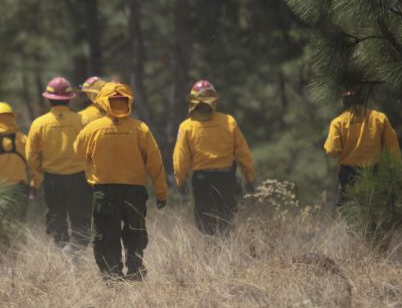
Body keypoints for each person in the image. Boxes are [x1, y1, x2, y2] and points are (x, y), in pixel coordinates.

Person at [74, 82, 167, 281]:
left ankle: (112, 277)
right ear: (128, 101)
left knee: (106, 235)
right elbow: (155, 163)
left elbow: (78, 154)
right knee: (135, 233)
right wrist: (161, 193)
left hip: (104, 191)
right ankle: (135, 272)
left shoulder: (92, 129)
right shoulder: (140, 129)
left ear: (103, 102)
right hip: (135, 191)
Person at [173, 80, 255, 236]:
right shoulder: (228, 121)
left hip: (202, 179)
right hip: (226, 177)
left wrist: (180, 180)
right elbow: (243, 153)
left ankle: (213, 251)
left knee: (204, 220)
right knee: (226, 218)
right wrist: (250, 178)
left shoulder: (186, 126)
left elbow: (180, 158)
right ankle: (225, 251)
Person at [27, 77, 92, 250]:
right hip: (78, 179)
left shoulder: (39, 124)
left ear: (49, 99)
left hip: (52, 179)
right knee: (80, 218)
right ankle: (75, 252)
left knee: (56, 218)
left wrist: (38, 174)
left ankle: (62, 251)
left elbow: (31, 156)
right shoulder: (82, 120)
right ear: (70, 98)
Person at [324, 87, 401, 204]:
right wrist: (397, 170)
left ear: (345, 101)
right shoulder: (379, 118)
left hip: (349, 174)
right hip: (374, 171)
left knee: (347, 208)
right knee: (374, 206)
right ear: (363, 99)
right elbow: (393, 148)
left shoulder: (338, 122)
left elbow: (332, 151)